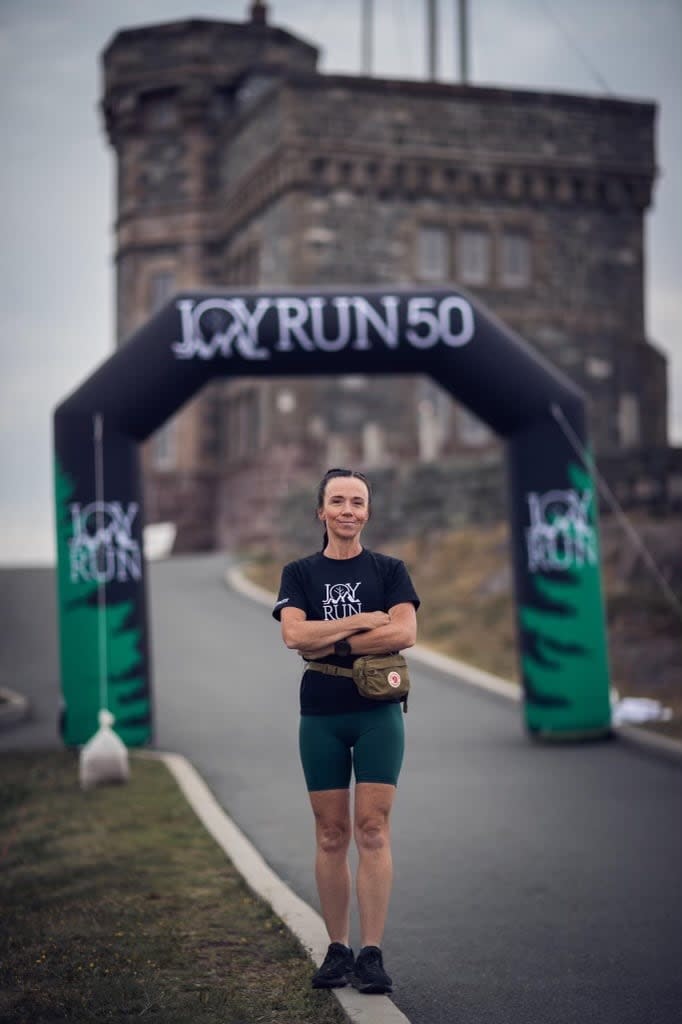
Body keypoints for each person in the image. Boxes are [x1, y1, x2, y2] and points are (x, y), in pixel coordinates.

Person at [273, 467, 419, 995]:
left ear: (367, 511)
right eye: (338, 501)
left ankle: (372, 953)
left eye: (357, 501)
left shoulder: (390, 570)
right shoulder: (299, 573)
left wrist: (327, 639)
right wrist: (362, 623)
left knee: (373, 829)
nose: (348, 510)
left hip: (378, 713)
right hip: (322, 715)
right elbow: (294, 636)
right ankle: (337, 950)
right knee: (331, 833)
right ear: (321, 511)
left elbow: (404, 631)